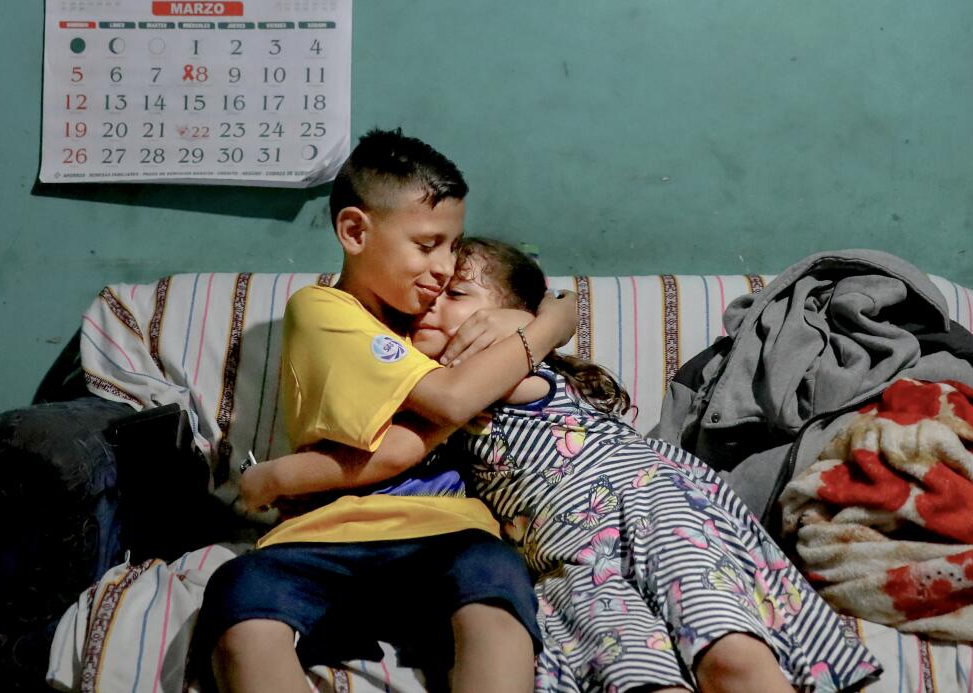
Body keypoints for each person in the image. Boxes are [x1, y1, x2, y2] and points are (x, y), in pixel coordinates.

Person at [245, 239, 882, 693]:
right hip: (565, 559)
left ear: (507, 319)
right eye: (425, 302)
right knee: (633, 671)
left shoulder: (507, 373)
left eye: (457, 295)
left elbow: (410, 440)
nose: (431, 310)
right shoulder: (430, 391)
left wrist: (533, 323)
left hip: (645, 503)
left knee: (731, 653)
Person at [195, 131, 577, 692]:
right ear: (354, 232)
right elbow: (447, 403)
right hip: (321, 535)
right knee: (241, 601)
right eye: (427, 246)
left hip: (449, 532)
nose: (445, 267)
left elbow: (516, 332)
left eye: (453, 246)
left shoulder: (434, 320)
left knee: (496, 597)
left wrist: (522, 320)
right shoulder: (326, 311)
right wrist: (553, 324)